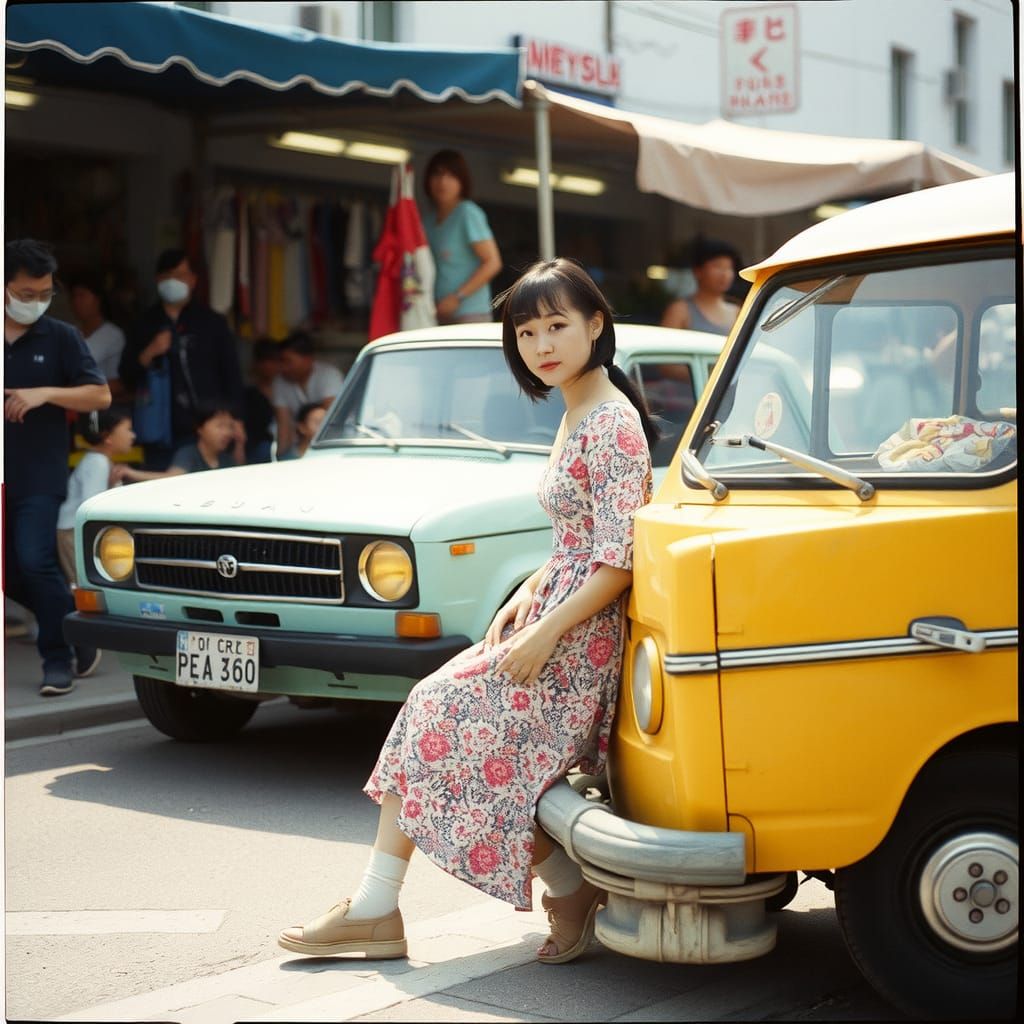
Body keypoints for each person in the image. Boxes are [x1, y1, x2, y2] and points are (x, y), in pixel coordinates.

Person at [278, 257, 656, 965]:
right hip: (559, 612)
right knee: (445, 722)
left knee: (439, 713)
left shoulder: (611, 423)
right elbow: (577, 539)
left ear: (596, 324)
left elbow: (618, 560)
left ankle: (377, 908)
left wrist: (544, 629)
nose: (541, 344)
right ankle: (409, 904)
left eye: (556, 326)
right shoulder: (579, 407)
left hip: (579, 637)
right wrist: (525, 595)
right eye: (525, 332)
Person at [4, 238, 111, 696]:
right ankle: (73, 623)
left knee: (34, 561)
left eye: (44, 294)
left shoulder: (62, 337)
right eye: (26, 294)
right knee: (8, 575)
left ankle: (57, 659)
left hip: (38, 474)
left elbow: (100, 395)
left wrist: (46, 393)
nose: (35, 304)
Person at [118, 248, 244, 470]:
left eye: (180, 275)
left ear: (193, 280)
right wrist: (150, 352)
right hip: (158, 431)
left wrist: (237, 420)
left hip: (208, 430)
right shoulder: (144, 323)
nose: (173, 281)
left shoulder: (212, 323)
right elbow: (126, 376)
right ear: (157, 280)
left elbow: (232, 375)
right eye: (167, 276)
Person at [422, 149, 502, 326]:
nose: (443, 182)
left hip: (470, 314)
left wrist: (457, 297)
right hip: (437, 313)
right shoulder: (428, 221)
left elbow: (492, 262)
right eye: (437, 174)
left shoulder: (467, 213)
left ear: (462, 181)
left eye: (451, 175)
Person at [56, 407, 135, 588]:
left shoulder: (100, 460)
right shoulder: (98, 462)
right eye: (128, 429)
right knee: (84, 584)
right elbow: (92, 507)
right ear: (108, 437)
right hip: (73, 533)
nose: (133, 436)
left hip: (73, 530)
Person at [117, 400, 242, 480]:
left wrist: (240, 442)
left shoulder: (227, 459)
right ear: (200, 428)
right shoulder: (188, 454)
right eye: (220, 426)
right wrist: (130, 473)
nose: (226, 432)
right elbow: (171, 478)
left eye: (230, 426)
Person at [271, 331, 343, 456]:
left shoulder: (329, 376)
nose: (283, 367)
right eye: (281, 362)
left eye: (288, 361)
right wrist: (279, 457)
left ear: (308, 359)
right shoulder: (280, 382)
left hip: (328, 447)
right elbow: (283, 425)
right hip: (298, 445)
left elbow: (329, 422)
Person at [660, 237, 741, 336]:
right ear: (698, 271)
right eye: (717, 266)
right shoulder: (680, 310)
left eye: (729, 268)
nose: (725, 274)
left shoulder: (738, 313)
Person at [69, 272, 126, 399]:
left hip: (99, 406)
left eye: (82, 296)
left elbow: (118, 383)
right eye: (74, 296)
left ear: (97, 299)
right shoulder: (71, 332)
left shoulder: (113, 335)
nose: (77, 301)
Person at [243, 338, 282, 464]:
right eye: (267, 361)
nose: (272, 366)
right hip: (260, 448)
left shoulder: (287, 388)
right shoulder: (250, 395)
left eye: (276, 361)